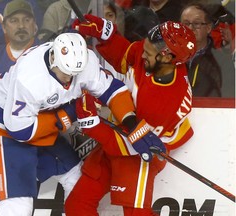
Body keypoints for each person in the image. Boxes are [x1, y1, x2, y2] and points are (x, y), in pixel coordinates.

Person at [0, 32, 164, 215]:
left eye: (76, 74)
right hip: (3, 129)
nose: (70, 80)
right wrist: (68, 114)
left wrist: (131, 123)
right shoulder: (29, 78)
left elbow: (113, 90)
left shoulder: (84, 62)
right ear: (53, 60)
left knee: (77, 181)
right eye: (66, 73)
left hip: (41, 123)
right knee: (18, 206)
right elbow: (21, 131)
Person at [66, 15, 197, 215]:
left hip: (141, 154)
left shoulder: (164, 100)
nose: (142, 55)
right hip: (118, 139)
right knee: (78, 205)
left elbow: (129, 143)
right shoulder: (154, 57)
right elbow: (127, 56)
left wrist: (92, 124)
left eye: (148, 53)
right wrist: (106, 35)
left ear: (168, 57)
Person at [180, 3, 222, 97]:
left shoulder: (220, 60)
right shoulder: (169, 56)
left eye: (196, 23)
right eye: (186, 24)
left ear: (208, 28)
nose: (190, 28)